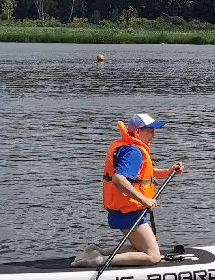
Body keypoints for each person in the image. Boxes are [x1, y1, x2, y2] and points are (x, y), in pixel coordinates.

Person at [74, 113, 184, 268]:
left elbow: (141, 175)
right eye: (150, 130)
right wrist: (144, 200)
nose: (154, 135)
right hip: (129, 212)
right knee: (153, 256)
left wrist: (168, 171)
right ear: (138, 132)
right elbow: (119, 179)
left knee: (142, 249)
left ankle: (97, 251)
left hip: (127, 210)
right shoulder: (133, 152)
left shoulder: (129, 147)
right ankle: (98, 261)